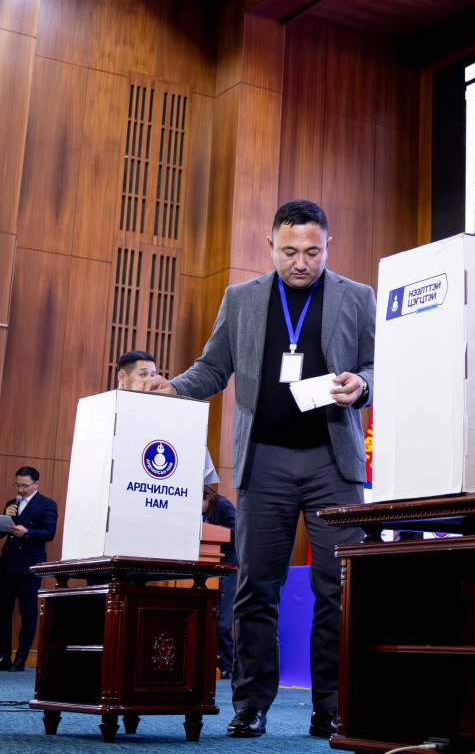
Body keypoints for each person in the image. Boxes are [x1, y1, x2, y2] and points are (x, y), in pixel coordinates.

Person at [135, 199, 374, 740]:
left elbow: (376, 367)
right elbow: (213, 367)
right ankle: (251, 705)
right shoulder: (240, 299)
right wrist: (175, 387)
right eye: (289, 251)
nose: (300, 262)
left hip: (332, 463)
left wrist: (363, 385)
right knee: (257, 589)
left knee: (338, 588)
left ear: (329, 245)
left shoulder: (356, 297)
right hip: (263, 461)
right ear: (270, 246)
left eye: (312, 251)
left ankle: (332, 705)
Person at [117, 350, 220, 485]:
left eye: (153, 375)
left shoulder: (173, 419)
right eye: (143, 374)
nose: (150, 380)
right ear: (122, 378)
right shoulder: (106, 415)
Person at [0, 466, 58, 671]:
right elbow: (2, 533)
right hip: (7, 566)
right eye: (17, 485)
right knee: (3, 612)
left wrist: (27, 532)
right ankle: (3, 656)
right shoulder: (11, 503)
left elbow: (49, 533)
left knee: (28, 613)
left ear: (36, 484)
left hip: (29, 568)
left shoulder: (47, 504)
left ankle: (21, 658)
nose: (20, 489)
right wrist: (4, 517)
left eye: (24, 485)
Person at [203, 485, 239, 678]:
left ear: (208, 497)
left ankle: (230, 666)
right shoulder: (206, 512)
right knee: (211, 618)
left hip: (227, 566)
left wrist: (215, 531)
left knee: (223, 622)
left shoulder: (223, 504)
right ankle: (223, 665)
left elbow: (237, 529)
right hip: (210, 567)